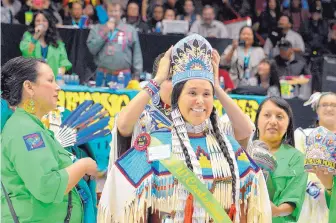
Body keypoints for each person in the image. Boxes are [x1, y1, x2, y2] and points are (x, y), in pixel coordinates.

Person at [98, 34, 271, 223]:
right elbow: (124, 198)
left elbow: (245, 134)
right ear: (177, 96)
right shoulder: (148, 130)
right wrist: (156, 80)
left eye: (206, 93)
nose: (199, 100)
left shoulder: (223, 139)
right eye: (191, 92)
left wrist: (215, 86)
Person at [1, 57, 98, 222]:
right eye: (50, 80)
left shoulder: (32, 126)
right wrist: (84, 165)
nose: (58, 87)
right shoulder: (26, 130)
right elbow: (47, 187)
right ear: (29, 87)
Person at [254, 96, 308, 223]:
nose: (273, 121)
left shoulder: (297, 158)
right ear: (257, 120)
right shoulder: (243, 152)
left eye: (280, 117)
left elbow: (293, 202)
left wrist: (275, 210)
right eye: (267, 115)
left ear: (288, 123)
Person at [294, 92, 336, 223]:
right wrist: (313, 189)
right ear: (316, 108)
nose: (329, 108)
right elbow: (296, 168)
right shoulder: (301, 135)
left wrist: (330, 188)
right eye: (324, 105)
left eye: (334, 105)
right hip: (307, 201)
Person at [87, 2, 143, 87]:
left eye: (116, 11)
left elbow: (137, 54)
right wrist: (105, 32)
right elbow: (92, 49)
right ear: (107, 12)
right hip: (103, 75)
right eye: (111, 11)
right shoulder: (97, 28)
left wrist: (137, 75)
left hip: (123, 76)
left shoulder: (130, 30)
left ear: (121, 12)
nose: (113, 14)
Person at [19, 10, 72, 77]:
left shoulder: (56, 41)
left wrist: (60, 73)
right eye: (38, 21)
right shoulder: (28, 36)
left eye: (44, 21)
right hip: (34, 78)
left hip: (52, 79)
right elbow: (26, 53)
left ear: (49, 23)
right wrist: (35, 36)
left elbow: (63, 61)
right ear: (34, 23)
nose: (41, 23)